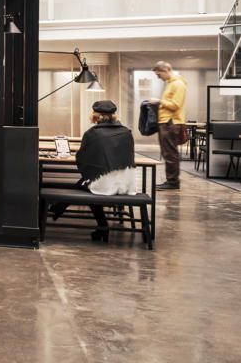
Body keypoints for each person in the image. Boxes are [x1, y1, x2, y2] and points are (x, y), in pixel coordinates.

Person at [51, 100, 138, 241]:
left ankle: (57, 208)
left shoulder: (92, 134)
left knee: (89, 182)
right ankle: (100, 227)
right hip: (126, 184)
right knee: (89, 182)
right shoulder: (126, 132)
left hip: (105, 184)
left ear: (95, 116)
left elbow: (82, 159)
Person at [150, 60, 187, 190]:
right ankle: (171, 181)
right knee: (168, 153)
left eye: (159, 74)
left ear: (165, 71)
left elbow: (175, 105)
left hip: (171, 123)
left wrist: (159, 101)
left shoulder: (178, 84)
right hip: (166, 122)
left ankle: (173, 182)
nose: (158, 77)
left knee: (170, 154)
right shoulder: (171, 84)